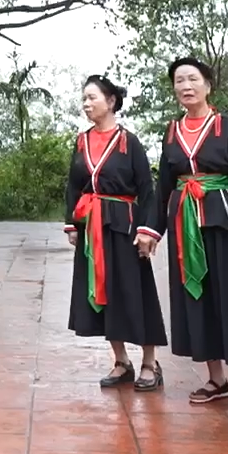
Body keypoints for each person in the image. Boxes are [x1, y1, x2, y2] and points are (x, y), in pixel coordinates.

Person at [139, 57, 228, 408]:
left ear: (208, 85)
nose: (186, 86)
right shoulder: (172, 131)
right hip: (185, 224)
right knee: (198, 298)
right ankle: (216, 379)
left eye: (193, 79)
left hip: (225, 220)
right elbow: (164, 185)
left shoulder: (227, 127)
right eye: (179, 81)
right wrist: (151, 230)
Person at [65, 74, 168, 390]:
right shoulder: (82, 141)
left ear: (110, 102)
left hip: (124, 227)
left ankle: (150, 362)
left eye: (92, 98)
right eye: (84, 99)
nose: (86, 104)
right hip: (92, 227)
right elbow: (73, 186)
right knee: (103, 291)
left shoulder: (128, 142)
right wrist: (72, 224)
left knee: (134, 291)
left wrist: (147, 230)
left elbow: (147, 189)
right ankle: (121, 361)